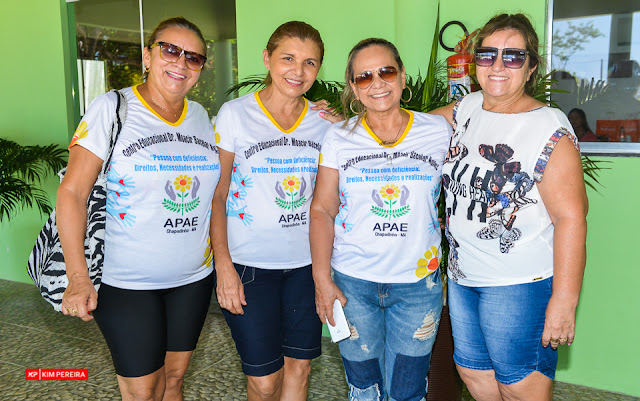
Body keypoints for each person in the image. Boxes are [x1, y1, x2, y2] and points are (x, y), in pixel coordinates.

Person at [58, 17, 220, 401]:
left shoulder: (200, 118)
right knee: (144, 391)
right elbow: (72, 194)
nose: (180, 63)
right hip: (127, 283)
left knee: (175, 380)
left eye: (193, 57)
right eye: (170, 50)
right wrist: (78, 276)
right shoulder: (113, 108)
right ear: (147, 56)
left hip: (193, 279)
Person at [431, 14, 588, 401]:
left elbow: (571, 218)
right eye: (487, 55)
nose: (498, 66)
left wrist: (564, 302)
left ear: (531, 67)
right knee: (474, 376)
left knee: (520, 388)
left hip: (519, 283)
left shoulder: (548, 126)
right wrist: (348, 121)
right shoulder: (467, 108)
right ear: (474, 63)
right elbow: (406, 127)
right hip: (465, 277)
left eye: (513, 57)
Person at [310, 38, 451, 401]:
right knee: (364, 389)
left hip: (419, 286)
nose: (377, 82)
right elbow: (322, 210)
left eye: (387, 71)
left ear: (403, 77)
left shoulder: (437, 131)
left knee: (408, 391)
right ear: (353, 88)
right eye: (364, 77)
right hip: (352, 285)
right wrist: (322, 280)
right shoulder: (338, 137)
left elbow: (486, 103)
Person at [211, 21, 335, 401]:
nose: (298, 71)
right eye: (288, 58)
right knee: (264, 381)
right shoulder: (234, 114)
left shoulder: (324, 121)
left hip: (305, 264)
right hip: (249, 266)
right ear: (267, 59)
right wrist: (224, 266)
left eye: (310, 62)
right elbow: (217, 195)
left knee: (300, 367)